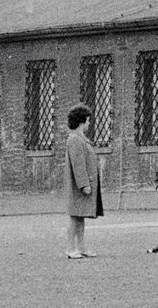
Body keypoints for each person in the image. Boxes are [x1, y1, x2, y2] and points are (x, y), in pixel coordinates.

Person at [64, 103, 102, 259]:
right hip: (79, 187)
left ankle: (81, 247)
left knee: (80, 217)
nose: (89, 123)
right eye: (87, 120)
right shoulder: (75, 139)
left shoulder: (79, 138)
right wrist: (84, 184)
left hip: (81, 186)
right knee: (75, 217)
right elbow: (78, 165)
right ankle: (71, 248)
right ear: (82, 121)